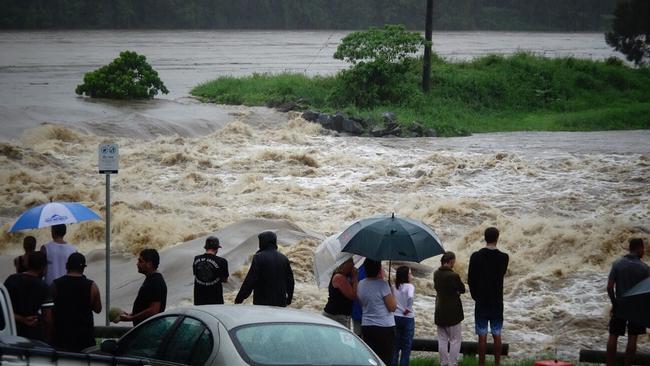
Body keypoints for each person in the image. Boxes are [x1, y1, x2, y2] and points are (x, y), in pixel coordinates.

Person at [468, 227, 509, 366]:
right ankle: (497, 363)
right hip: (497, 300)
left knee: (482, 334)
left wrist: (475, 296)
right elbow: (501, 274)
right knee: (497, 333)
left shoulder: (476, 256)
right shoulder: (504, 257)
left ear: (485, 238)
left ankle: (481, 364)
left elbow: (471, 279)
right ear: (497, 238)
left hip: (481, 300)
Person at [606, 238, 649, 366]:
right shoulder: (645, 268)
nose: (644, 251)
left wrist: (614, 304)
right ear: (639, 248)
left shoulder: (617, 264)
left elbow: (609, 287)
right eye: (643, 248)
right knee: (632, 337)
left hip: (620, 304)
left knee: (613, 335)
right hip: (637, 307)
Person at [51, 252, 102, 351]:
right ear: (83, 268)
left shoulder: (55, 285)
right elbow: (98, 309)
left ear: (66, 266)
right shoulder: (92, 286)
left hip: (61, 338)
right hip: (85, 340)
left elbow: (49, 311)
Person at [235, 231, 295, 307]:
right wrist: (289, 298)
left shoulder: (258, 257)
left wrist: (240, 298)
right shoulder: (284, 258)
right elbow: (290, 281)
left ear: (263, 242)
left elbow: (251, 280)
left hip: (262, 303)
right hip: (280, 302)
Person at [4, 251, 53, 342]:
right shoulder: (44, 287)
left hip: (11, 333)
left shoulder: (11, 279)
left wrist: (22, 319)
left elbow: (3, 309)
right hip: (33, 336)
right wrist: (48, 340)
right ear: (42, 268)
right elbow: (48, 319)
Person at [357, 259, 396, 365]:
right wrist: (392, 292)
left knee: (371, 359)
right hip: (384, 328)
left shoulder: (360, 284)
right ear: (379, 269)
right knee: (385, 360)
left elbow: (362, 304)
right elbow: (392, 307)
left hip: (367, 326)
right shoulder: (383, 285)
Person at [117, 249, 167, 326]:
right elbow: (145, 306)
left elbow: (154, 310)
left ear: (149, 264)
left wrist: (131, 318)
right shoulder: (151, 279)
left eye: (140, 261)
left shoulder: (156, 282)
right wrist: (130, 314)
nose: (137, 264)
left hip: (149, 330)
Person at [434, 252, 466, 366]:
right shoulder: (453, 276)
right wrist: (456, 291)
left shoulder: (436, 273)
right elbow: (462, 289)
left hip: (439, 311)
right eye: (454, 261)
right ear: (451, 261)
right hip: (453, 313)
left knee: (442, 340)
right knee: (455, 340)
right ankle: (453, 363)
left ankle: (443, 363)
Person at [193, 236, 229, 305]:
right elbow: (225, 280)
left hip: (199, 300)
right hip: (215, 300)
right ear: (217, 248)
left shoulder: (196, 259)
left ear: (206, 247)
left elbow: (196, 274)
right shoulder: (222, 261)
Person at [322, 258, 358, 328]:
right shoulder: (339, 277)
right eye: (350, 262)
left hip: (342, 315)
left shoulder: (346, 275)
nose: (353, 264)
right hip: (335, 316)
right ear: (343, 264)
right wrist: (355, 278)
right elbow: (353, 296)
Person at [391, 265, 416, 366]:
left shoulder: (393, 287)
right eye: (410, 273)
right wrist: (408, 308)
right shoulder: (410, 286)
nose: (412, 276)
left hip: (395, 317)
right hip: (407, 318)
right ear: (405, 275)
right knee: (406, 348)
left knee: (395, 347)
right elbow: (410, 297)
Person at [351, 264, 366, 336]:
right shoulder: (373, 270)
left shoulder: (356, 268)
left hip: (356, 309)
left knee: (357, 335)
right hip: (367, 312)